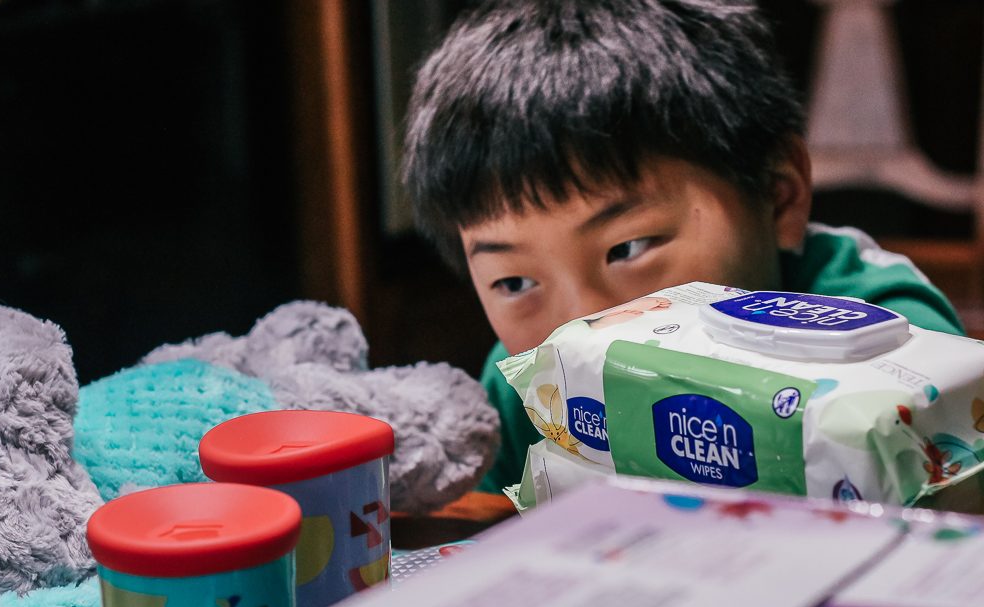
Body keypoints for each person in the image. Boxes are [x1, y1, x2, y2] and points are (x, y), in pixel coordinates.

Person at [400, 0, 965, 494]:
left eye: (628, 248)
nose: (582, 323)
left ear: (776, 197)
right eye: (515, 282)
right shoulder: (522, 386)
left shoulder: (884, 330)